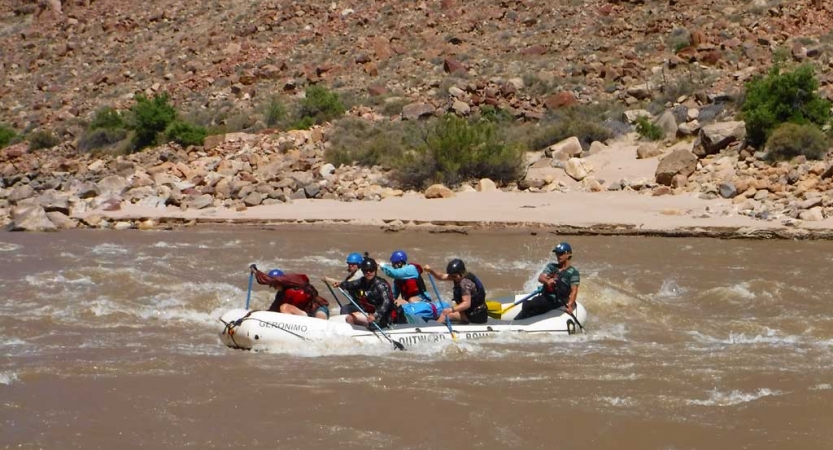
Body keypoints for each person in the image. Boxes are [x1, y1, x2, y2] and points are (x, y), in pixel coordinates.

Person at [514, 242, 580, 320]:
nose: (558, 256)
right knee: (528, 304)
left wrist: (569, 306)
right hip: (546, 297)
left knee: (530, 305)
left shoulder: (573, 273)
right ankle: (517, 321)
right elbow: (541, 277)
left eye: (561, 253)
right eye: (557, 253)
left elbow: (574, 291)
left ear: (568, 254)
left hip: (558, 301)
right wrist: (547, 281)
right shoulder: (551, 267)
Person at [332, 257, 395, 328]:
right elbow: (351, 284)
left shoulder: (380, 285)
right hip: (369, 312)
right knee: (345, 309)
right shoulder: (363, 281)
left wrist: (375, 315)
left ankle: (358, 334)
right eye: (366, 271)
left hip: (382, 316)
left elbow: (386, 302)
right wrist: (341, 284)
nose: (368, 273)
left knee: (350, 318)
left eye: (371, 270)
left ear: (375, 270)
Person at [250, 265, 330, 320]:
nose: (273, 287)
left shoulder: (296, 281)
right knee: (284, 307)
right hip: (303, 315)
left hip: (317, 308)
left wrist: (256, 272)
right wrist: (257, 314)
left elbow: (269, 279)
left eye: (274, 284)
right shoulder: (280, 296)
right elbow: (272, 311)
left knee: (320, 318)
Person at [425, 258, 488, 324]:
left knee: (445, 314)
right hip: (470, 311)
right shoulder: (458, 276)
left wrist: (451, 310)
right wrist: (431, 271)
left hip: (476, 315)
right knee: (445, 312)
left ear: (461, 273)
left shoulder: (465, 283)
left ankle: (435, 330)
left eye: (454, 276)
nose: (452, 278)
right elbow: (441, 276)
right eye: (451, 276)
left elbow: (466, 304)